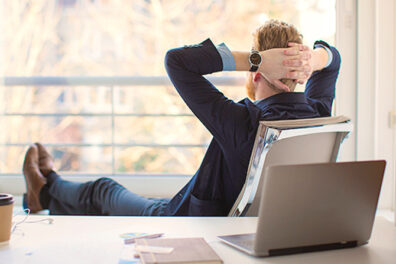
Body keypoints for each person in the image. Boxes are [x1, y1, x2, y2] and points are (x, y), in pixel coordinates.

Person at [22, 20, 340, 216]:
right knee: (123, 197)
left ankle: (46, 188)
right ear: (302, 72)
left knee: (105, 191)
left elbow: (177, 61)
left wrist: (255, 59)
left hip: (184, 223)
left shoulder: (241, 122)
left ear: (257, 74)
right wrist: (313, 58)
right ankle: (44, 197)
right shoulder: (317, 113)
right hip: (251, 226)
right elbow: (333, 59)